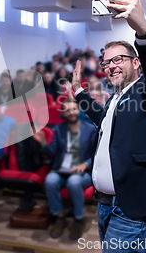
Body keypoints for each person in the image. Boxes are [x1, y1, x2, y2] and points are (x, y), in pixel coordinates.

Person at [72, 0, 146, 252]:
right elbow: (102, 120)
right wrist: (79, 92)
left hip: (133, 206)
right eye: (106, 62)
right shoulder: (117, 97)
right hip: (105, 204)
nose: (110, 66)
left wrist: (143, 31)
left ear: (136, 62)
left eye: (118, 59)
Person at [35, 99, 96, 240]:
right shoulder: (59, 129)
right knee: (50, 180)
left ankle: (78, 219)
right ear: (64, 113)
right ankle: (59, 217)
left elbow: (97, 154)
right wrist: (43, 143)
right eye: (67, 110)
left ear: (78, 111)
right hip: (62, 170)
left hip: (82, 171)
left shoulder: (91, 129)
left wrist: (85, 164)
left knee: (74, 182)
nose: (71, 113)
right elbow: (52, 153)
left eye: (74, 109)